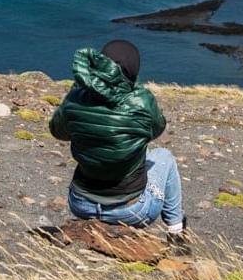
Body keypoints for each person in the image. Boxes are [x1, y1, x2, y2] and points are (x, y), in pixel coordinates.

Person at [48, 39, 185, 235]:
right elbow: (157, 129)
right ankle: (176, 232)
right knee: (164, 157)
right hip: (132, 211)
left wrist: (77, 98)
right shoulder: (141, 101)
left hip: (81, 205)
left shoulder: (76, 97)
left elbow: (57, 131)